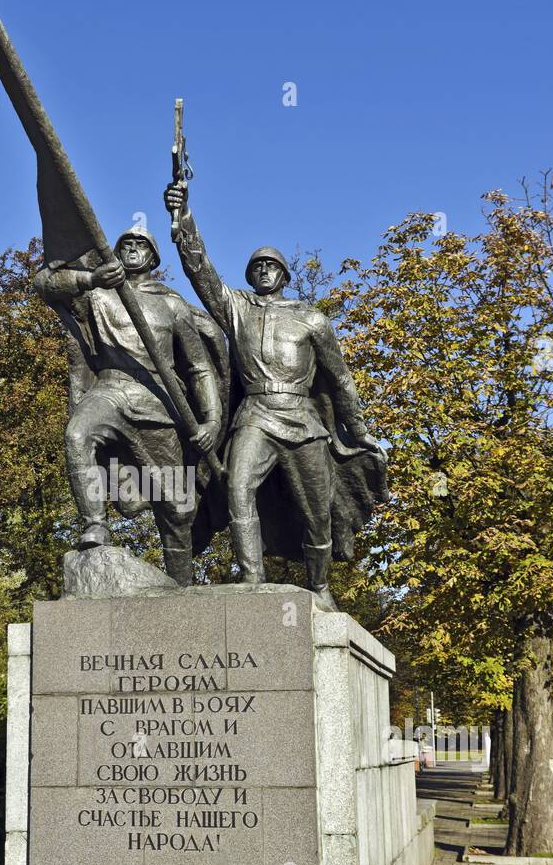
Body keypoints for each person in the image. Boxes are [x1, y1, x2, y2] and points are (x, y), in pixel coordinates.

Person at [163, 180, 386, 606]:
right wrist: (182, 216)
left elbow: (340, 380)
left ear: (283, 275)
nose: (263, 271)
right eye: (257, 267)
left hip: (304, 422)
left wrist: (357, 432)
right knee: (238, 486)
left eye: (270, 266)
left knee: (317, 514)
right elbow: (201, 270)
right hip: (256, 415)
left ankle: (319, 587)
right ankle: (251, 578)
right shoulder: (238, 308)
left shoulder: (312, 321)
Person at [34, 227, 223, 586]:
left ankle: (182, 588)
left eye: (141, 246)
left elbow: (199, 368)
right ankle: (95, 525)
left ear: (153, 257)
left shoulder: (172, 305)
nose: (133, 249)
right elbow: (43, 284)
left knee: (177, 510)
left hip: (157, 403)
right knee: (77, 434)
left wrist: (211, 420)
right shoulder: (98, 296)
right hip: (110, 390)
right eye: (127, 245)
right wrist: (90, 277)